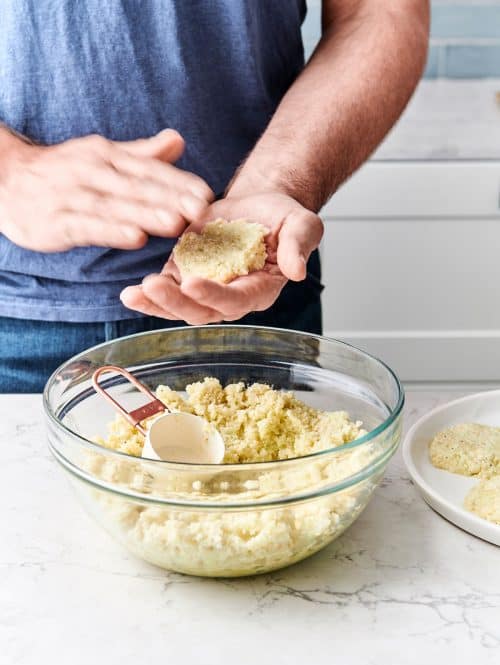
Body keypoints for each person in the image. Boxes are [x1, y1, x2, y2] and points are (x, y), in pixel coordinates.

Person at [0, 1, 429, 392]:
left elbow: (379, 13)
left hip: (259, 300)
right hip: (14, 322)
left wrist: (276, 182)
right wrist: (9, 169)